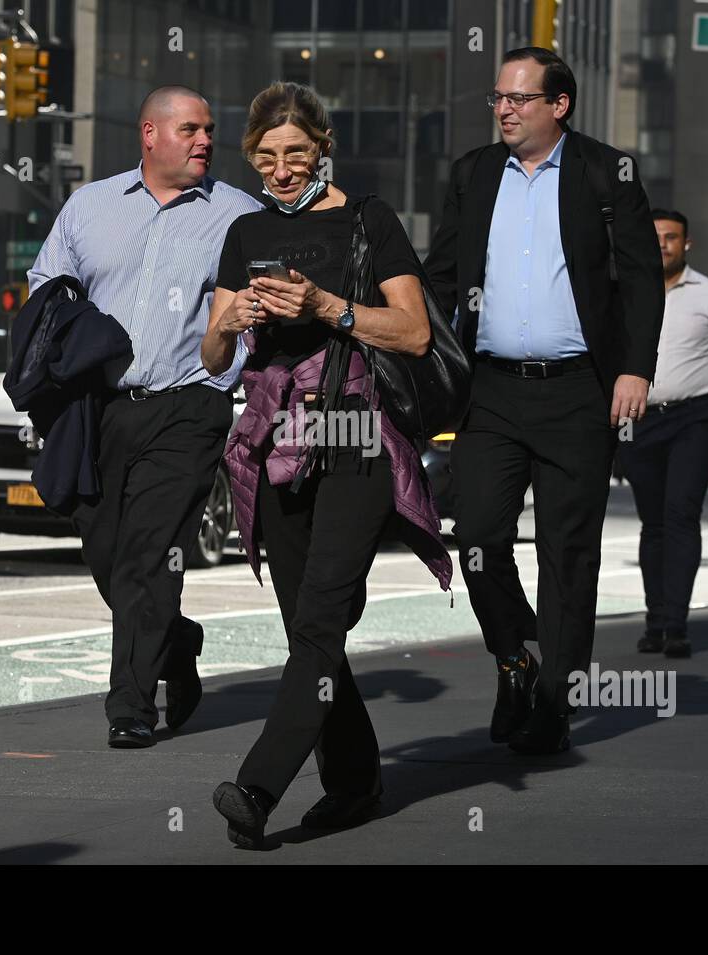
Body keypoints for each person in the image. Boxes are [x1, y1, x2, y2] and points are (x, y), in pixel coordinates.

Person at [201, 81, 451, 848]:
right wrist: (234, 320)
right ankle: (355, 782)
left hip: (356, 433)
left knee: (317, 620)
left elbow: (412, 334)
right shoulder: (244, 233)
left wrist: (326, 308)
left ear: (322, 150)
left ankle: (257, 786)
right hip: (277, 439)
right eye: (266, 156)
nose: (280, 169)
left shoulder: (370, 220)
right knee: (310, 629)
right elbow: (212, 353)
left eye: (295, 154)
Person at [424, 47, 663, 754]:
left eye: (519, 98)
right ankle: (515, 657)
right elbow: (441, 277)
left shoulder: (604, 173)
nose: (504, 108)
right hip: (490, 390)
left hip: (579, 393)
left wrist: (634, 369)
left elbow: (643, 277)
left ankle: (555, 702)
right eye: (498, 97)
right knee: (479, 539)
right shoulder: (473, 174)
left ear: (559, 105)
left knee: (567, 552)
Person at [27, 86, 263, 749]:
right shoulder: (89, 206)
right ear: (150, 134)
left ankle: (131, 705)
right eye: (191, 128)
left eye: (210, 130)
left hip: (189, 406)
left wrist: (231, 369)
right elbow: (49, 292)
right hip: (98, 410)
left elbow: (257, 310)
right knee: (107, 552)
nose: (205, 141)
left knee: (148, 552)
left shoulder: (237, 216)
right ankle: (176, 643)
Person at [620, 210, 708, 659]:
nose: (661, 245)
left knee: (680, 514)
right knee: (653, 523)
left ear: (687, 243)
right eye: (654, 237)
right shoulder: (623, 294)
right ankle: (654, 620)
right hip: (638, 420)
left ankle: (675, 624)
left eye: (671, 238)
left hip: (695, 418)